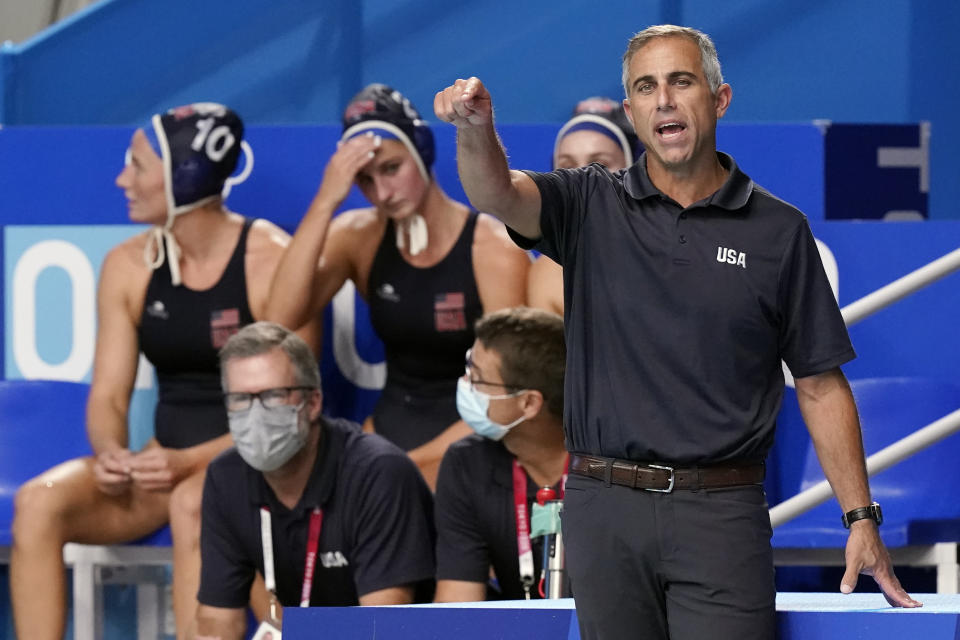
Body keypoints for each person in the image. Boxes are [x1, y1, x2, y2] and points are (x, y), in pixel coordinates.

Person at [434, 24, 921, 640]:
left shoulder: (779, 232)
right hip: (603, 506)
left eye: (680, 81)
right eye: (646, 87)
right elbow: (497, 193)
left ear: (719, 99)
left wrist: (860, 519)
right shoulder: (587, 203)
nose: (663, 99)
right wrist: (475, 131)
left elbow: (820, 384)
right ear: (633, 112)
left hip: (721, 513)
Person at [10, 103, 318, 640]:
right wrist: (111, 453)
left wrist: (186, 463)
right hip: (163, 469)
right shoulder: (128, 265)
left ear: (184, 175)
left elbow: (289, 413)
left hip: (257, 468)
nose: (122, 178)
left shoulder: (271, 260)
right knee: (38, 502)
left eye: (137, 164)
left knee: (195, 499)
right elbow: (108, 396)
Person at [265, 83, 529, 488]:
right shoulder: (360, 236)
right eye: (365, 181)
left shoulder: (490, 249)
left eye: (391, 168)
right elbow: (279, 320)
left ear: (421, 152)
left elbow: (510, 392)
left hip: (471, 437)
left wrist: (405, 465)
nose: (382, 193)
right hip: (390, 431)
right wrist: (325, 200)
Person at [194, 322, 436, 639]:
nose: (255, 414)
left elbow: (383, 628)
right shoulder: (226, 479)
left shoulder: (377, 473)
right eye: (240, 399)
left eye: (274, 395)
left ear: (313, 403)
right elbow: (216, 621)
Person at [434, 307, 567, 602]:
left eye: (477, 378)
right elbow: (457, 609)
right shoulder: (466, 464)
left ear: (528, 403)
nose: (465, 385)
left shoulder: (605, 467)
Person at [528, 97, 641, 315]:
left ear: (634, 170)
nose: (581, 179)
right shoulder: (548, 272)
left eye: (599, 165)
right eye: (567, 166)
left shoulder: (671, 249)